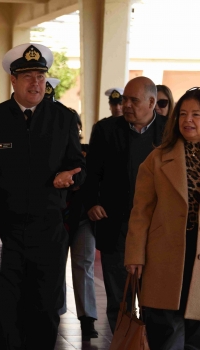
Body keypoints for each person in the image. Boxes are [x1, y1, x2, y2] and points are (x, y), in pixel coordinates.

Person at [0, 43, 86, 350]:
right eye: (28, 75)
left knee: (44, 309)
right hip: (3, 232)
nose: (36, 82)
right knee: (5, 309)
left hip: (48, 233)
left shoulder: (63, 119)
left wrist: (71, 176)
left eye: (41, 75)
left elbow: (79, 165)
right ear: (13, 81)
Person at [83, 76, 167, 333]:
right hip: (115, 227)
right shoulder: (106, 130)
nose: (126, 105)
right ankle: (122, 342)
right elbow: (91, 173)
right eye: (124, 100)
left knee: (157, 302)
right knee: (120, 301)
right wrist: (92, 202)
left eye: (134, 100)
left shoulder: (168, 132)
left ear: (152, 102)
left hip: (158, 231)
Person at [125, 87, 200, 349]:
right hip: (165, 258)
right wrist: (135, 255)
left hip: (198, 260)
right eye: (183, 114)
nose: (188, 120)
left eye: (197, 115)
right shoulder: (157, 159)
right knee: (164, 334)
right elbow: (141, 211)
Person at [63, 114, 99, 341]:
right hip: (57, 218)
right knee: (54, 268)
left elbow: (95, 180)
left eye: (76, 129)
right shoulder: (51, 147)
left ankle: (87, 318)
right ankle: (55, 312)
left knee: (84, 264)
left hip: (83, 217)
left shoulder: (89, 152)